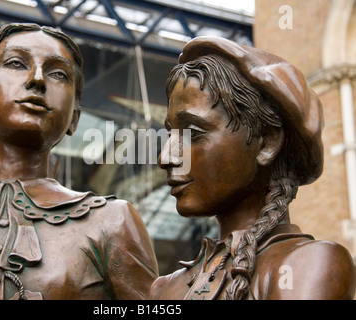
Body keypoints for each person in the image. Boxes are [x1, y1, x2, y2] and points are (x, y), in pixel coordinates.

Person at [0, 23, 158, 300]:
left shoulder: (112, 222)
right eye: (16, 63)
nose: (37, 79)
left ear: (75, 117)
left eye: (58, 73)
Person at [150, 36, 356, 300]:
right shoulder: (163, 289)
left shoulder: (308, 265)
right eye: (170, 133)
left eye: (192, 132)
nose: (166, 156)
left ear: (267, 142)